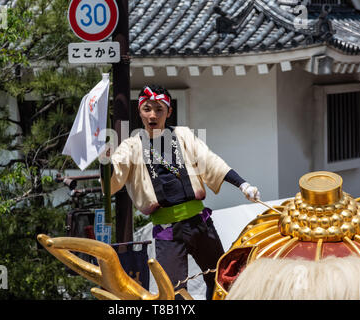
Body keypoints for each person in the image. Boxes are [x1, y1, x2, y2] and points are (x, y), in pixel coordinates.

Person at [100, 85, 260, 300]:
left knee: (222, 277)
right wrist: (105, 161)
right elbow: (114, 178)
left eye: (159, 109)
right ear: (139, 112)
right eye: (147, 109)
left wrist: (243, 185)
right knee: (173, 290)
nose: (152, 115)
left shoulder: (183, 135)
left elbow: (211, 162)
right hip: (167, 229)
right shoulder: (131, 147)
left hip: (199, 222)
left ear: (169, 112)